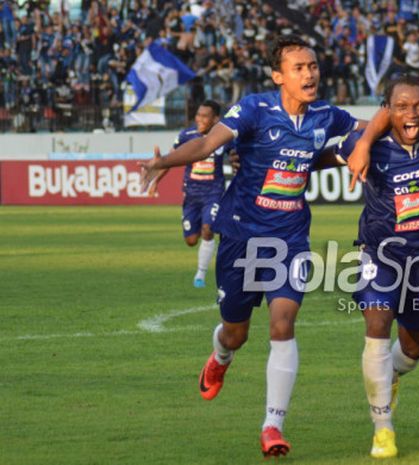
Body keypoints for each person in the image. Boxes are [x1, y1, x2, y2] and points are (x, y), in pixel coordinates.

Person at [139, 34, 360, 458]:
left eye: (313, 65)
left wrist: (375, 139)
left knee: (283, 323)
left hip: (291, 235)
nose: (310, 73)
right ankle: (220, 355)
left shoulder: (327, 116)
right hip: (241, 234)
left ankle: (272, 426)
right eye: (298, 68)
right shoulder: (256, 108)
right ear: (278, 76)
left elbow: (365, 131)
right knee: (236, 333)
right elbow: (205, 145)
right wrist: (161, 162)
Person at [337, 75, 419, 459]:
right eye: (401, 106)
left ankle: (392, 377)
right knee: (376, 326)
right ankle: (383, 428)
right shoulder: (366, 144)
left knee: (414, 346)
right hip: (378, 255)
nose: (412, 114)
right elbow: (325, 155)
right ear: (386, 110)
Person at [148, 100, 235, 288]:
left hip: (214, 193)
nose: (199, 119)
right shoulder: (186, 136)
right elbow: (169, 160)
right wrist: (156, 181)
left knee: (208, 230)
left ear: (215, 119)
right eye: (198, 115)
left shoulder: (223, 137)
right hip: (191, 195)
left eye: (205, 116)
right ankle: (202, 262)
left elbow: (237, 156)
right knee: (191, 240)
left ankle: (200, 275)